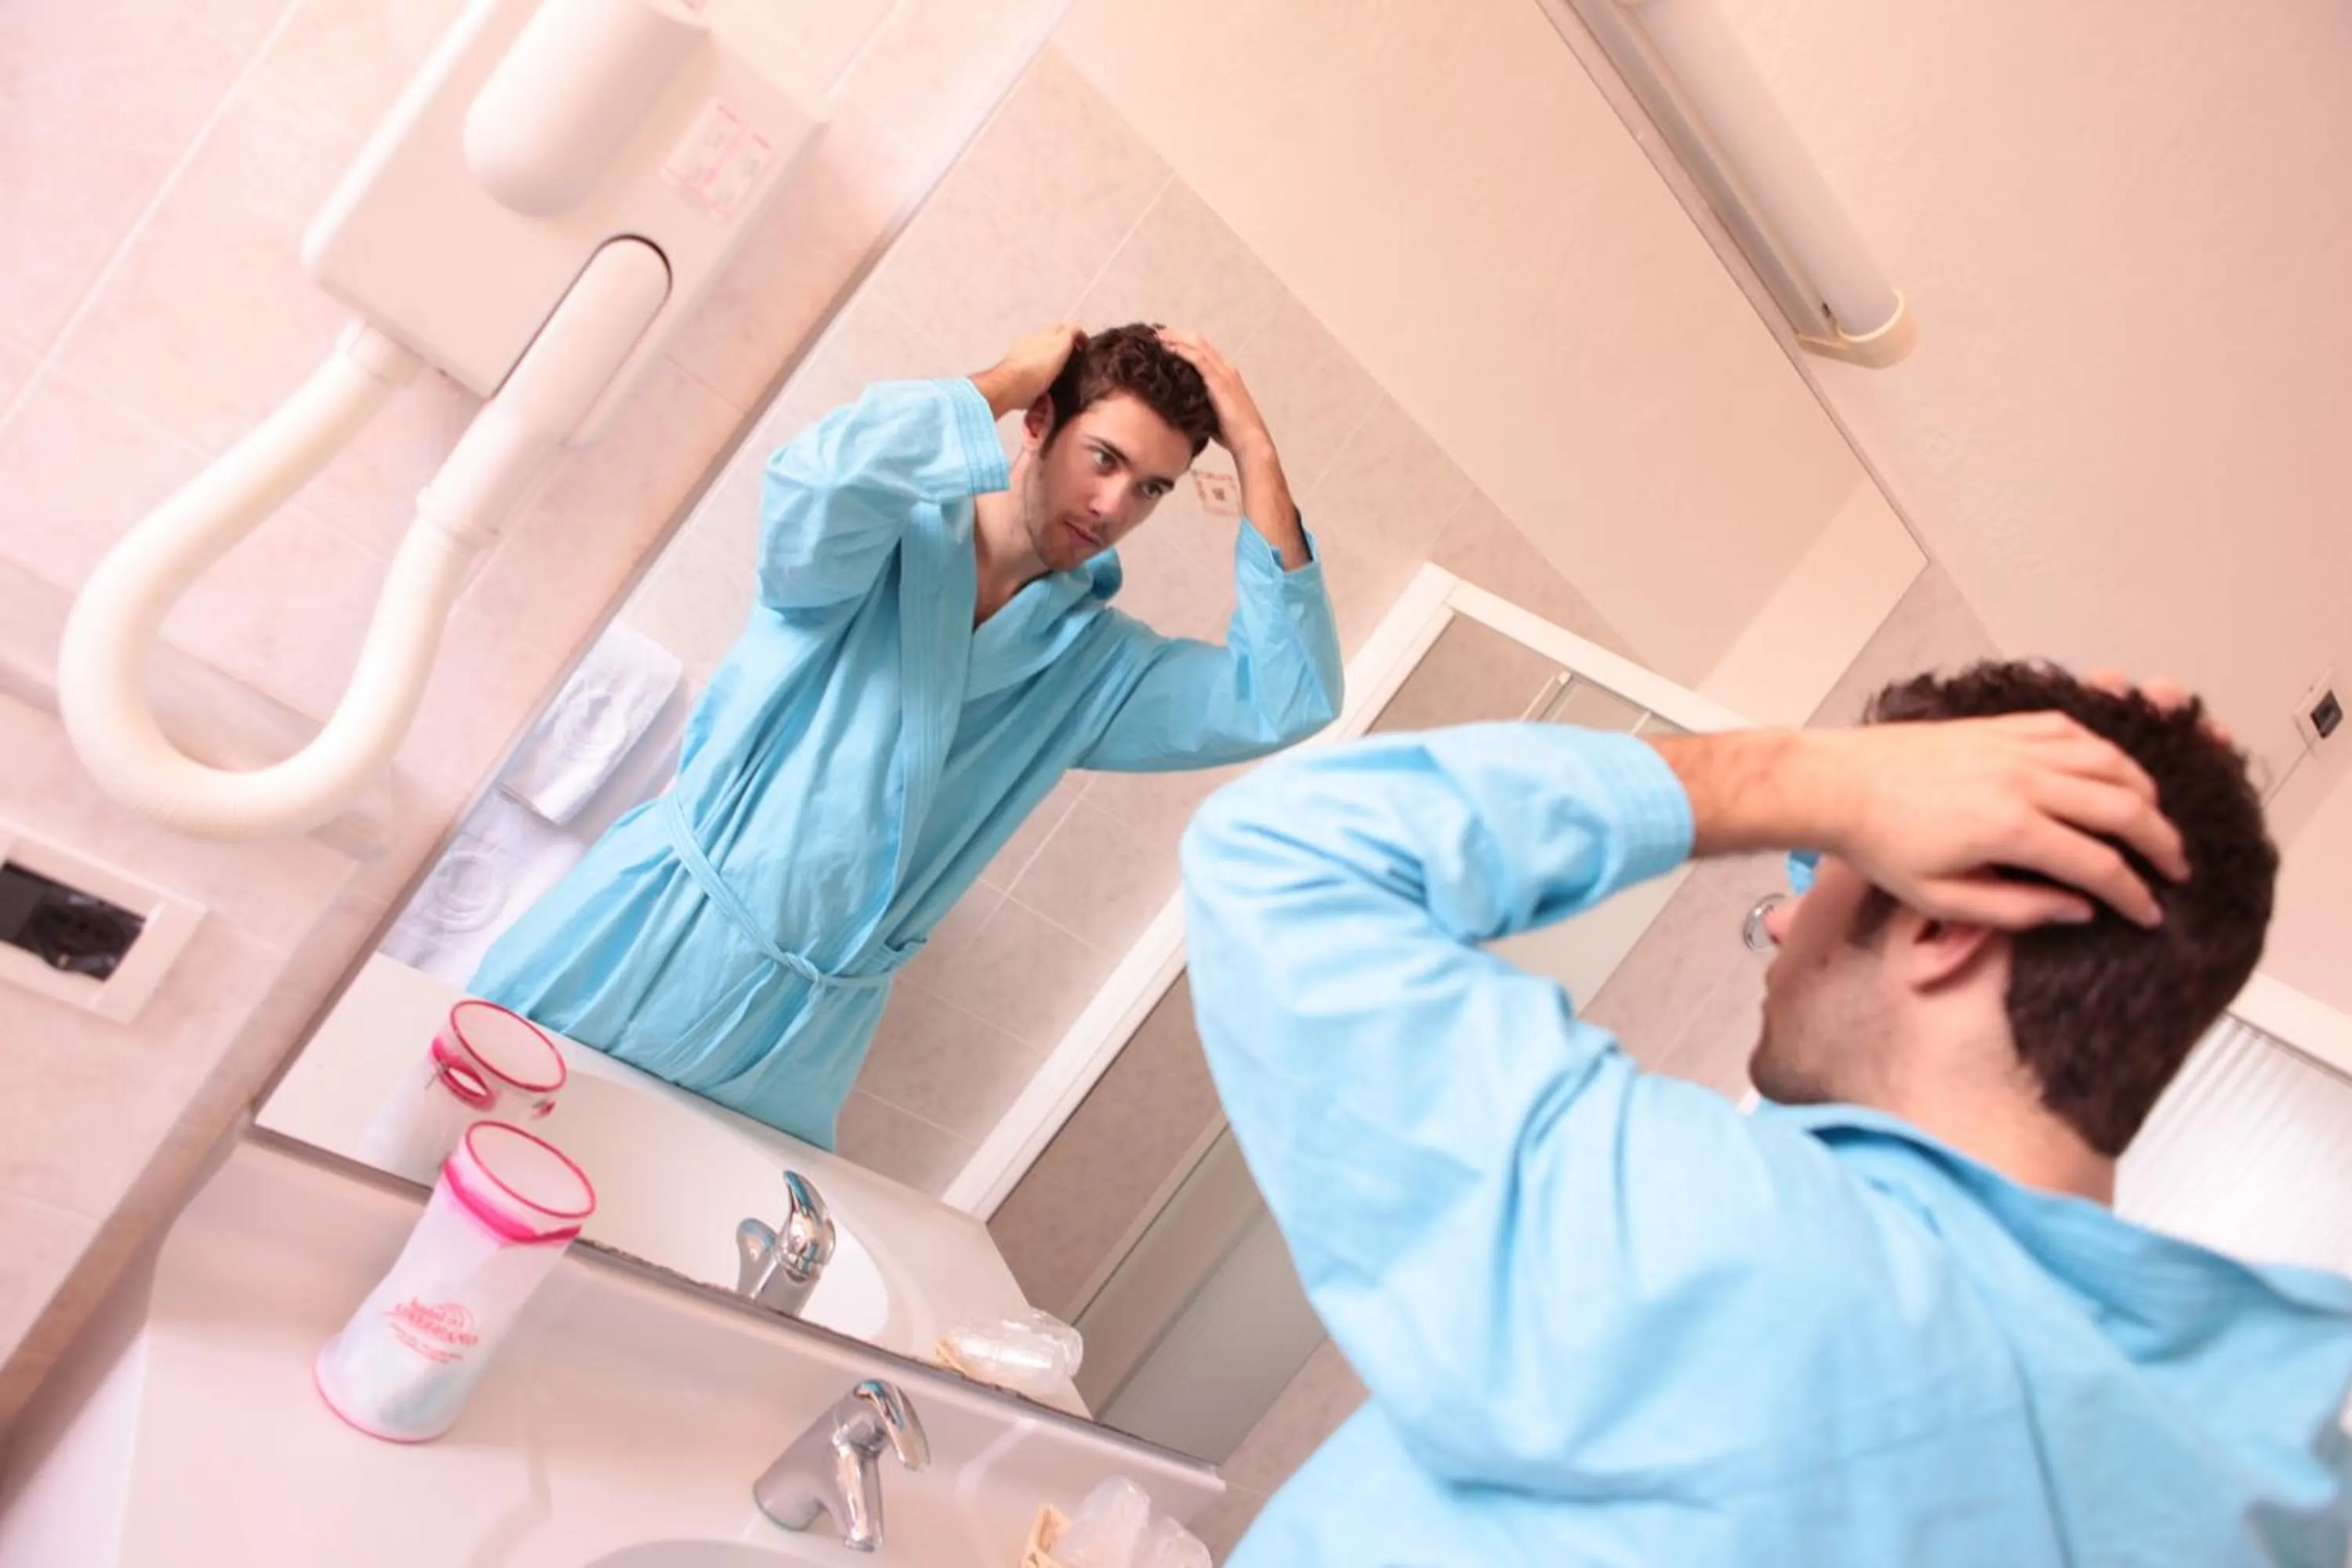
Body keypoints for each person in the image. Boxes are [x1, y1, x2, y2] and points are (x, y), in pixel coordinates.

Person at [1181, 662, 2352, 1565]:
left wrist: (1824, 777)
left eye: (1828, 865)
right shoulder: (2259, 1486)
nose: (1783, 923)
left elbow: (1282, 859)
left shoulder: (1727, 1260)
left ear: (1946, 927)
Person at [472, 324, 1342, 1146]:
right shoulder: (877, 533)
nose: (1113, 505)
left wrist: (1256, 453)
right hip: (640, 940)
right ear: (1040, 422)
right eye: (1104, 458)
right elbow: (816, 479)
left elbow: (1288, 696)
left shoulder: (1095, 669)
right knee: (433, 1180)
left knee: (659, 1250)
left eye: (1151, 488)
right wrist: (1005, 380)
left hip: (795, 1041)